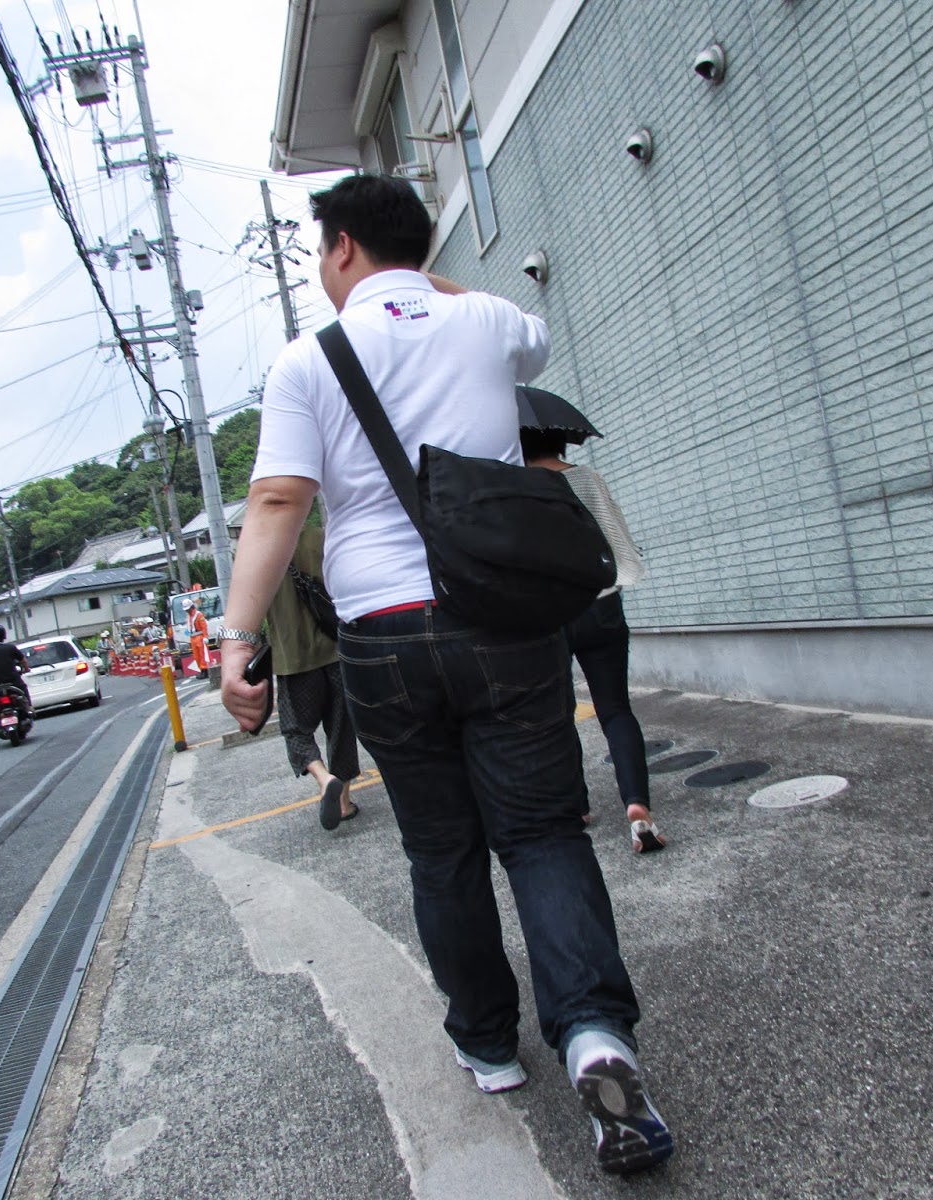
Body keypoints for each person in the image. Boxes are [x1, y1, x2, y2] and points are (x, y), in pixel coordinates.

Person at [219, 173, 672, 1174]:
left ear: (341, 247)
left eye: (321, 250)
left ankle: (485, 1042)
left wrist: (237, 639)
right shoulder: (487, 324)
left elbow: (280, 502)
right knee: (543, 834)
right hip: (502, 621)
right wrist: (432, 282)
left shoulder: (307, 360)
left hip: (381, 637)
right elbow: (531, 334)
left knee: (441, 851)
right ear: (419, 247)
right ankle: (595, 1035)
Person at [521, 428, 663, 854]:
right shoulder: (587, 479)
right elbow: (616, 537)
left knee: (560, 711)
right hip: (601, 606)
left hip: (552, 615)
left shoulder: (519, 487)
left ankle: (577, 806)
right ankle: (637, 806)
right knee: (616, 709)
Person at [264, 523, 359, 831]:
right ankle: (344, 804)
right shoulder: (322, 538)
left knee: (296, 730)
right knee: (341, 728)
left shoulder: (259, 549)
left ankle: (323, 777)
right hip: (335, 650)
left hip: (293, 659)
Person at [185, 599, 210, 673]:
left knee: (202, 654)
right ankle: (201, 669)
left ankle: (205, 670)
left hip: (199, 637)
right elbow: (189, 628)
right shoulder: (189, 616)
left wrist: (205, 637)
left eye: (188, 609)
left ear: (191, 607)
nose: (186, 611)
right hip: (193, 638)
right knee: (196, 656)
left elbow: (204, 626)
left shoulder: (199, 615)